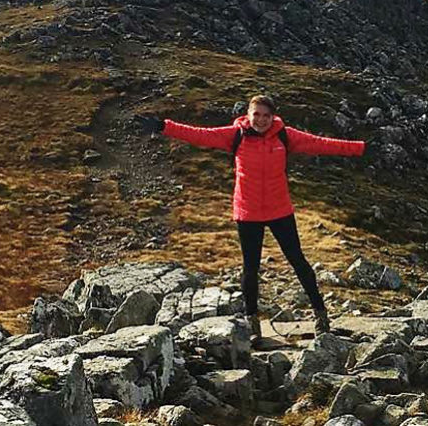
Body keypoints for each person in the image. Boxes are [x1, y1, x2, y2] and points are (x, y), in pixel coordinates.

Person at [135, 94, 365, 341]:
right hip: (248, 213)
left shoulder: (285, 135)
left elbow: (321, 143)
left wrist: (360, 148)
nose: (262, 120)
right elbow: (199, 134)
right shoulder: (236, 135)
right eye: (257, 114)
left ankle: (321, 316)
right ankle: (252, 323)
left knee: (298, 261)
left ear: (273, 116)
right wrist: (163, 126)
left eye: (267, 115)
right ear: (248, 114)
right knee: (250, 268)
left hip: (280, 211)